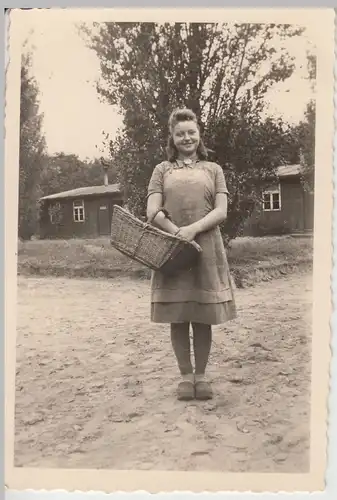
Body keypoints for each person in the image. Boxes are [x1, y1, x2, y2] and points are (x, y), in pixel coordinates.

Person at [146, 108, 237, 401]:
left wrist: (193, 229)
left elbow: (221, 212)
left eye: (191, 132)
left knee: (201, 315)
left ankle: (202, 376)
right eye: (180, 133)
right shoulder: (162, 170)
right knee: (178, 315)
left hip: (206, 249)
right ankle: (185, 376)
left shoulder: (214, 170)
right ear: (172, 138)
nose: (187, 138)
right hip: (173, 250)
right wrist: (177, 231)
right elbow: (152, 212)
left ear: (199, 135)